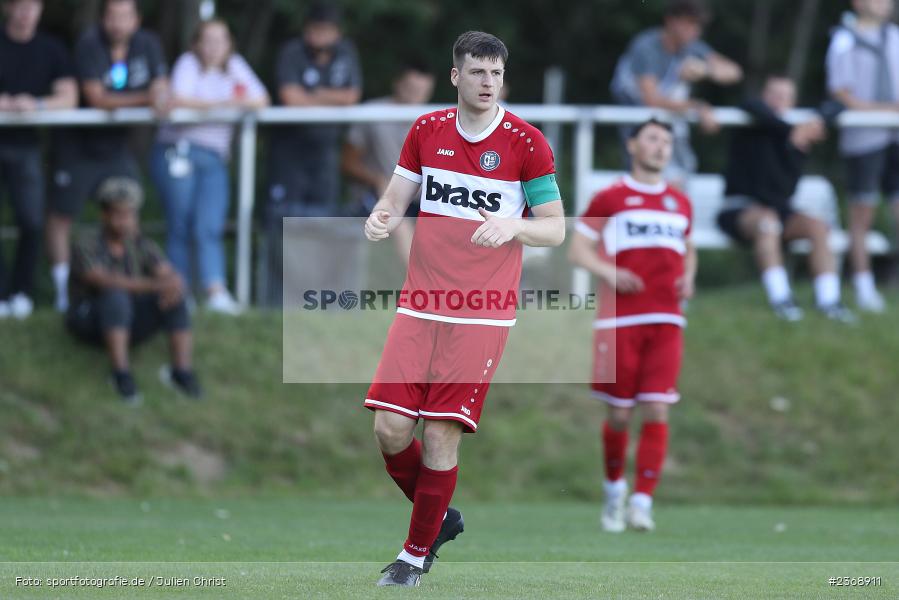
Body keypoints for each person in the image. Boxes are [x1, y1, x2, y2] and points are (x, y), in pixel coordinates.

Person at [362, 31, 565, 586]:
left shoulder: (526, 143)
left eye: (497, 73)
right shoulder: (427, 130)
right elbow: (396, 195)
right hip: (421, 304)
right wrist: (381, 215)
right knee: (389, 430)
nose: (488, 83)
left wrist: (514, 224)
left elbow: (555, 229)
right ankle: (437, 519)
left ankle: (412, 555)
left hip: (482, 312)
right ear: (456, 76)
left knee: (439, 435)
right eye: (477, 72)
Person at [568, 119, 697, 533]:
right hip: (620, 320)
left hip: (667, 319)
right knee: (621, 414)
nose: (661, 147)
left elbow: (689, 248)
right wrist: (609, 270)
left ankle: (642, 503)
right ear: (633, 145)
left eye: (667, 141)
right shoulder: (611, 197)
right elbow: (577, 250)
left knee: (657, 407)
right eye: (653, 139)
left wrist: (689, 275)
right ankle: (613, 493)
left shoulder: (680, 202)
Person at [47, 0, 169, 313]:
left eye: (124, 16)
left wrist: (161, 94)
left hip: (116, 148)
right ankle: (64, 291)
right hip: (77, 146)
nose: (118, 23)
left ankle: (139, 279)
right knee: (62, 216)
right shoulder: (89, 44)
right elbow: (98, 98)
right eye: (112, 16)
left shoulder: (148, 43)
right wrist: (147, 98)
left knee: (129, 208)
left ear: (137, 19)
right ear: (103, 19)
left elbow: (162, 85)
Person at [150, 18, 269, 315]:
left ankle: (214, 290)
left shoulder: (236, 66)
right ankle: (179, 292)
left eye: (221, 40)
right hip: (179, 152)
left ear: (229, 44)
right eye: (208, 40)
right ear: (197, 44)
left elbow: (261, 99)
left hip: (215, 158)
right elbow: (178, 100)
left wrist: (215, 104)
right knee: (181, 225)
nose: (215, 47)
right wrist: (226, 103)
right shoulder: (188, 63)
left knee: (209, 226)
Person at [718, 75, 855, 323]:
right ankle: (781, 299)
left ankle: (829, 301)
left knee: (818, 227)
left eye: (785, 95)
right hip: (740, 209)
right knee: (767, 221)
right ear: (764, 95)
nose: (778, 100)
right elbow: (750, 104)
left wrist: (816, 121)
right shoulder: (752, 122)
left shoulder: (800, 132)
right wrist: (793, 131)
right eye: (773, 93)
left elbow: (837, 106)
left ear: (793, 101)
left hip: (779, 212)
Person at [66, 177, 201, 404]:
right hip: (89, 319)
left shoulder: (141, 244)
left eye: (129, 215)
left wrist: (172, 286)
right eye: (119, 215)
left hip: (130, 319)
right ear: (105, 215)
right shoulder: (86, 243)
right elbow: (102, 280)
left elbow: (170, 275)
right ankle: (121, 375)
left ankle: (182, 373)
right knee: (115, 295)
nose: (124, 222)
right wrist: (157, 285)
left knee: (176, 297)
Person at [262, 2, 362, 305]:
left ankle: (318, 299)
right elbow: (290, 98)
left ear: (336, 32)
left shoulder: (346, 53)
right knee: (283, 224)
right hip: (289, 154)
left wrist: (314, 94)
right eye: (314, 30)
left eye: (325, 30)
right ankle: (278, 302)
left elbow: (352, 97)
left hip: (324, 153)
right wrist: (330, 98)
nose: (319, 36)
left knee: (324, 224)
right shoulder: (292, 52)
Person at [610, 0, 742, 186]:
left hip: (667, 124)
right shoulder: (646, 46)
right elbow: (651, 99)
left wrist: (705, 70)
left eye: (698, 25)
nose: (694, 30)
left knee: (680, 176)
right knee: (652, 180)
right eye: (689, 23)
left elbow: (734, 72)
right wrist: (697, 107)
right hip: (639, 127)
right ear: (671, 21)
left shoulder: (691, 47)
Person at [0, 0, 77, 319]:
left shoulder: (51, 48)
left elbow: (69, 98)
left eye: (31, 6)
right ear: (8, 8)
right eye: (19, 6)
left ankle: (22, 293)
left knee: (32, 220)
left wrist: (37, 105)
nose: (25, 13)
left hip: (27, 146)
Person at [826, 0, 899, 313]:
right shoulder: (844, 37)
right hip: (863, 136)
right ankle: (863, 285)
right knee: (862, 214)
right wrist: (880, 111)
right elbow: (840, 91)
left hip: (895, 134)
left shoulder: (894, 36)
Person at [342, 60, 435, 263]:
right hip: (377, 196)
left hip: (423, 199)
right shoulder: (372, 113)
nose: (415, 96)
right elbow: (347, 163)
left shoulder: (435, 120)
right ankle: (423, 280)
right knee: (395, 216)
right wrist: (377, 180)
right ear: (397, 83)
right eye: (411, 88)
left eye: (422, 91)